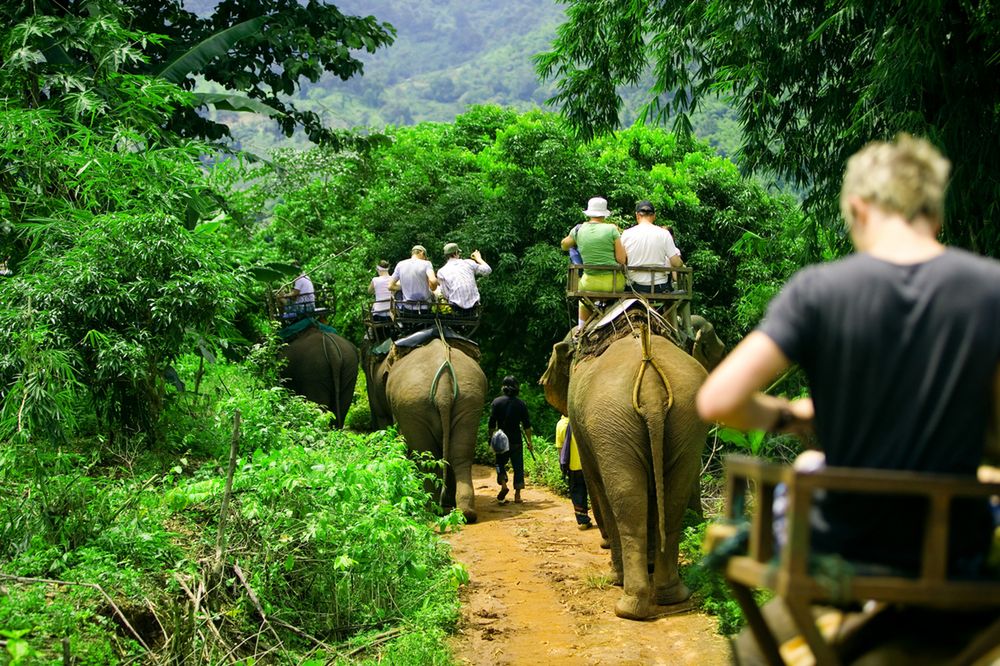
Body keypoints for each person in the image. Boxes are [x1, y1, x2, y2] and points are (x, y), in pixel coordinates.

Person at [696, 134, 1000, 575]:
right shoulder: (989, 288)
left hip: (841, 542)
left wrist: (787, 414)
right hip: (954, 547)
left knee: (807, 467)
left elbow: (717, 401)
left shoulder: (817, 290)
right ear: (935, 215)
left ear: (858, 208)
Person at [561, 197, 628, 329]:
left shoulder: (578, 230)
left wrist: (575, 241)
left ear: (589, 213)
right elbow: (621, 260)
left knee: (584, 300)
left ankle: (581, 329)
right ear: (604, 214)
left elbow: (564, 245)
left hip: (589, 284)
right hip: (614, 284)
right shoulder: (612, 229)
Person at [621, 200, 684, 293]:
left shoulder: (626, 234)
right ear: (654, 216)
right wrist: (681, 264)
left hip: (634, 287)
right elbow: (676, 263)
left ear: (637, 215)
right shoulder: (664, 234)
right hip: (660, 287)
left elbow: (621, 260)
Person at [489, 375, 534, 504]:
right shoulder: (521, 404)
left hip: (501, 440)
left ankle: (503, 484)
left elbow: (491, 423)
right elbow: (527, 425)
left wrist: (490, 437)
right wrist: (530, 442)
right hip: (516, 440)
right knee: (518, 466)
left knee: (499, 463)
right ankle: (518, 495)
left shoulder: (496, 402)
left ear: (503, 387)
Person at [556, 415, 592, 529]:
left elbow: (560, 447)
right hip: (590, 465)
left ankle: (583, 520)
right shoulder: (584, 419)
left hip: (574, 465)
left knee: (577, 492)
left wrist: (562, 464)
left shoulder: (561, 424)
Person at [436, 242, 491, 313]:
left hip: (456, 308)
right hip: (474, 306)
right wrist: (478, 258)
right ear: (456, 252)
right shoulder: (468, 263)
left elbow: (446, 294)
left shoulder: (441, 271)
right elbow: (488, 270)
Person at [389, 245, 438, 312]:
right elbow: (433, 280)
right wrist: (433, 288)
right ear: (422, 252)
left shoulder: (400, 264)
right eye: (424, 257)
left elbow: (390, 286)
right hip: (425, 308)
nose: (424, 259)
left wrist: (404, 287)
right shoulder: (427, 264)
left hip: (408, 308)